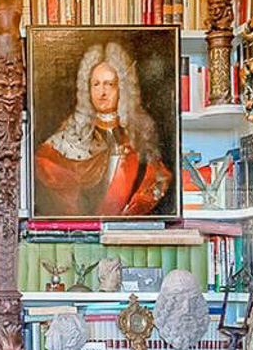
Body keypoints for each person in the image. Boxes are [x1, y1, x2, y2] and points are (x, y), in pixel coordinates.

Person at [33, 40, 172, 217]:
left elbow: (156, 179)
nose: (102, 92)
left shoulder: (139, 134)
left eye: (109, 84)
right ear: (87, 89)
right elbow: (44, 164)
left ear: (122, 88)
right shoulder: (71, 134)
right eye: (96, 84)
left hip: (126, 228)